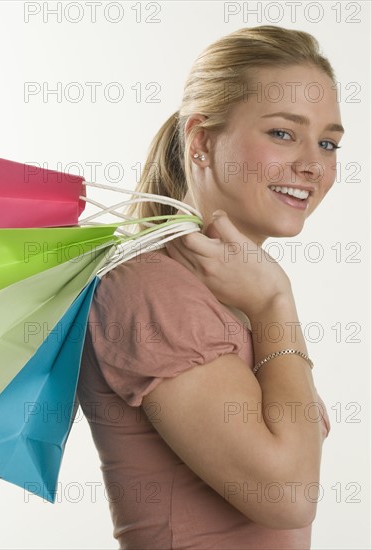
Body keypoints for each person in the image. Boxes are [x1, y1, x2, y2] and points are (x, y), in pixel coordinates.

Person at [77, 25, 341, 549]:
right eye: (283, 133)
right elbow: (286, 495)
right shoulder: (152, 288)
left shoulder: (224, 289)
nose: (313, 163)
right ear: (201, 141)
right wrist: (274, 303)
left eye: (328, 142)